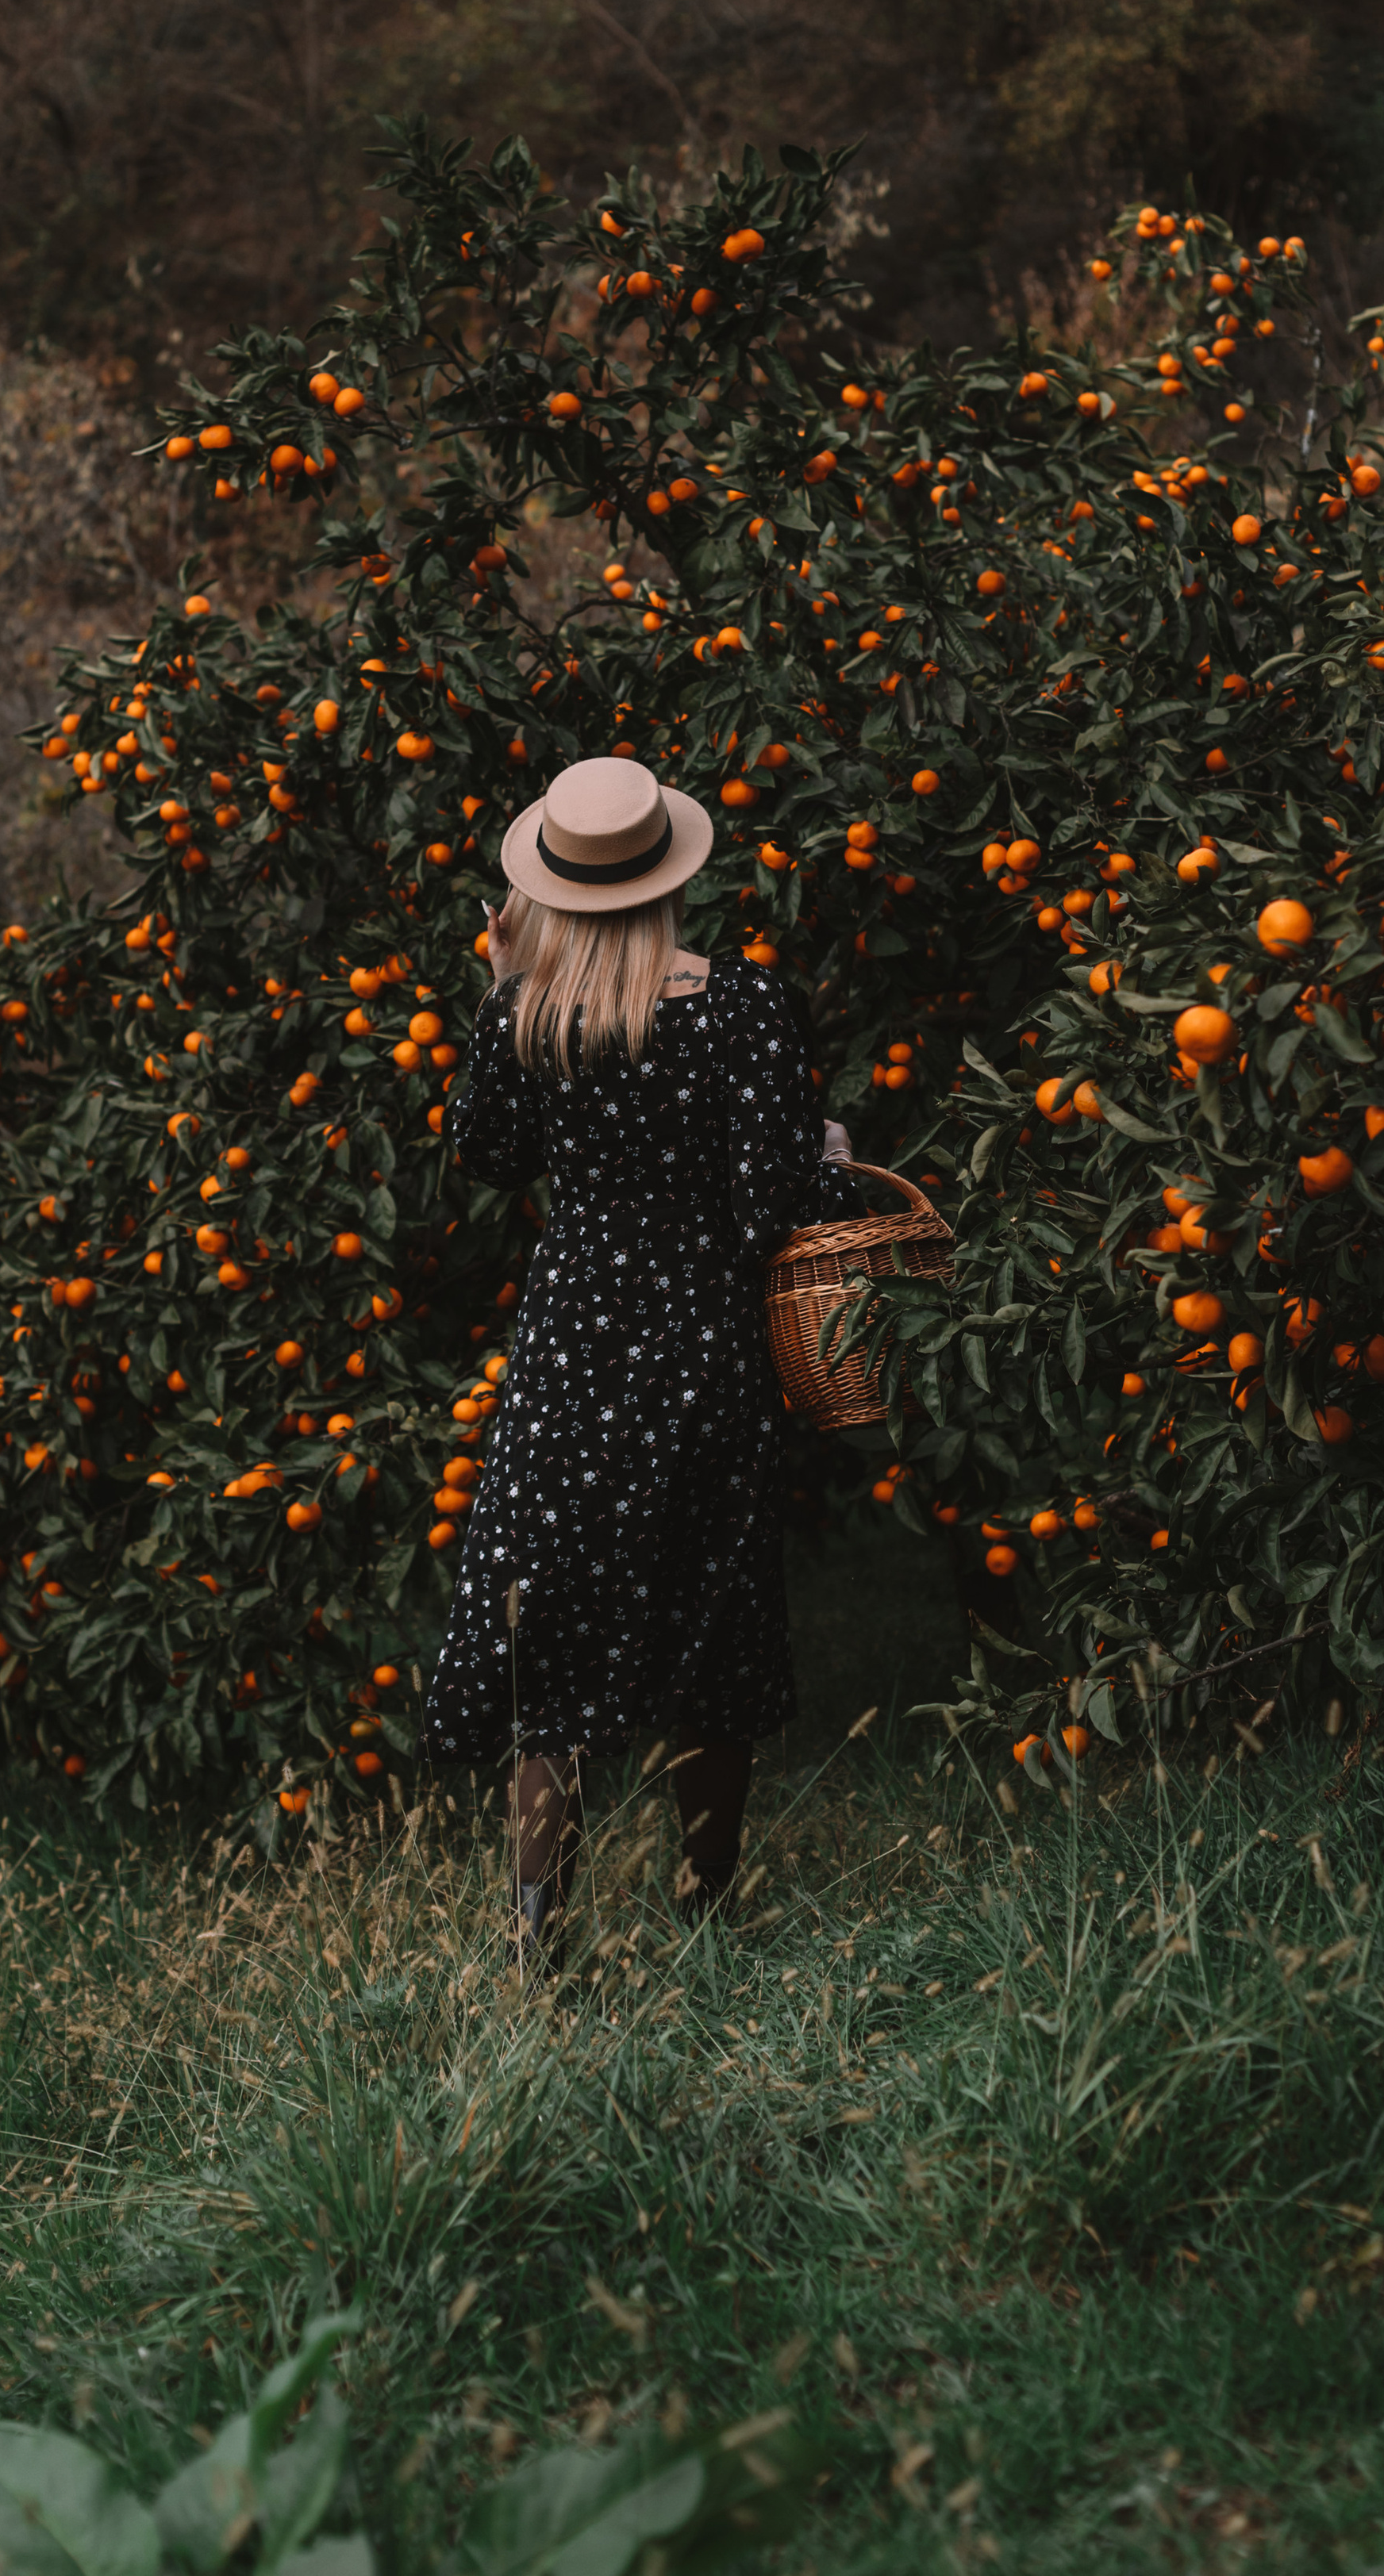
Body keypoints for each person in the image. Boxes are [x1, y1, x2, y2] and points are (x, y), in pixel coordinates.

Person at [420, 754, 867, 1968]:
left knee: (550, 1642)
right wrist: (825, 1148)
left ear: (551, 890)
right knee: (711, 1631)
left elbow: (484, 1152)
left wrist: (503, 985)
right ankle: (706, 1908)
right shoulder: (741, 1008)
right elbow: (779, 1200)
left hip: (571, 1360)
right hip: (704, 1357)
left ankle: (532, 1944)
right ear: (669, 874)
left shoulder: (533, 1016)